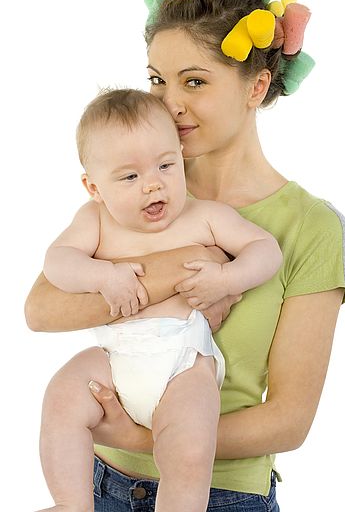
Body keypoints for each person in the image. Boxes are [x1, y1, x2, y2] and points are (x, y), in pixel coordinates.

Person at [25, 0, 345, 512]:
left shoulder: (310, 226)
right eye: (157, 79)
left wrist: (142, 437)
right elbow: (43, 311)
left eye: (194, 82)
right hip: (98, 482)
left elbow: (291, 420)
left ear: (256, 87)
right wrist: (173, 271)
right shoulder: (137, 188)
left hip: (222, 494)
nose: (168, 103)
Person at [36, 87, 282, 512]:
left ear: (180, 156)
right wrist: (102, 274)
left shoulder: (202, 215)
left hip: (183, 361)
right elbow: (56, 262)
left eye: (167, 165)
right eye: (129, 177)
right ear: (94, 187)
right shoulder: (95, 219)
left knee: (189, 446)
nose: (153, 184)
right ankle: (71, 503)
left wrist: (226, 277)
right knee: (61, 396)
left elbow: (266, 250)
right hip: (117, 355)